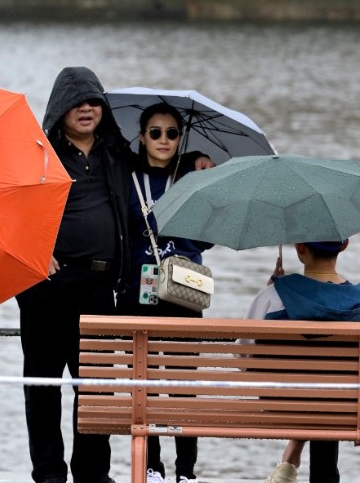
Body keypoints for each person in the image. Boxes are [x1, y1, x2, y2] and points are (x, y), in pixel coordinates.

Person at [15, 67, 132, 483]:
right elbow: (8, 210)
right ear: (59, 107)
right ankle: (48, 474)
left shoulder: (116, 154)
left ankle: (92, 474)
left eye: (94, 101)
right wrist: (34, 251)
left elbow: (161, 165)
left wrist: (194, 162)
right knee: (43, 388)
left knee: (97, 389)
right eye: (77, 101)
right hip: (45, 287)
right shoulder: (37, 154)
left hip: (100, 288)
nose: (86, 108)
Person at [115, 102, 213, 483]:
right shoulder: (125, 176)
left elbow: (208, 239)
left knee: (184, 387)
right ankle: (152, 467)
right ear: (142, 137)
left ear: (180, 138)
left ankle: (186, 472)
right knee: (147, 387)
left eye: (172, 133)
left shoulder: (193, 178)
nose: (164, 140)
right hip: (135, 294)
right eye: (155, 132)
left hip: (184, 292)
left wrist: (196, 162)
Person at [246, 240, 360, 483]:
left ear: (300, 248)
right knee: (331, 395)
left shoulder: (273, 297)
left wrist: (275, 288)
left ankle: (290, 457)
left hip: (282, 403)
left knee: (314, 396)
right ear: (344, 246)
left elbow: (244, 357)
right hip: (348, 406)